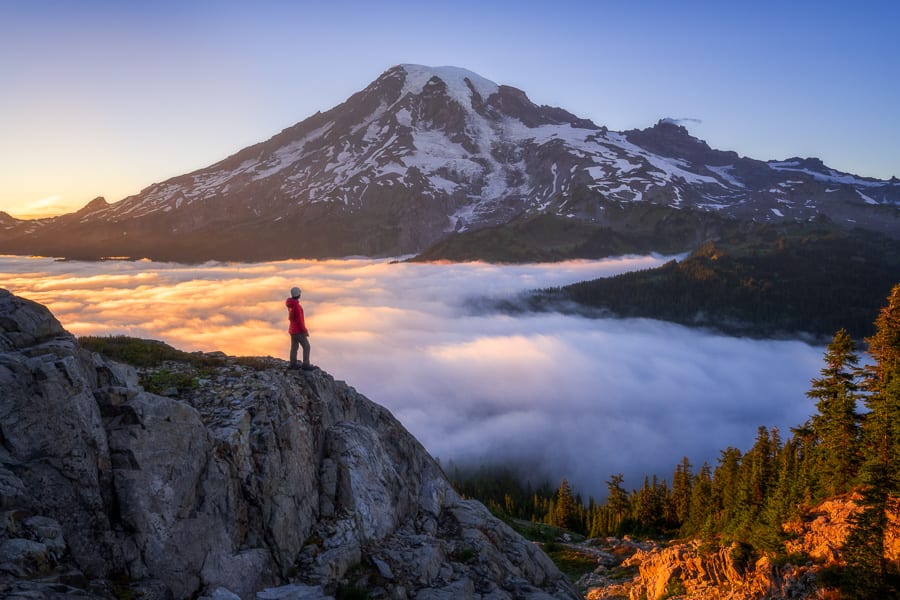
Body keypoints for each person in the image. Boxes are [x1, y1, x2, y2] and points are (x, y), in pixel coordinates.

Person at [285, 286, 313, 370]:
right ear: (298, 294)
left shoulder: (290, 304)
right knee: (306, 346)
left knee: (294, 347)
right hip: (298, 330)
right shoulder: (296, 306)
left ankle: (292, 364)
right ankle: (305, 364)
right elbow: (300, 321)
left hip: (292, 330)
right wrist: (305, 331)